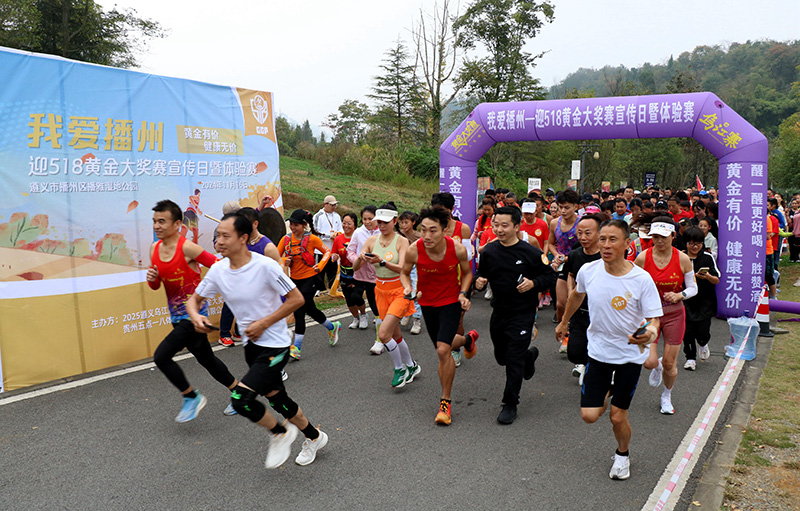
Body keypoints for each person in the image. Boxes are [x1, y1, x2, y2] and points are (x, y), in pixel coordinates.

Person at [187, 213, 328, 468]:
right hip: (251, 348)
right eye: (218, 235)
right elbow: (193, 300)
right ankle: (315, 437)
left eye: (225, 235)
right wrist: (196, 317)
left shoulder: (265, 266)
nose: (219, 240)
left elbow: (297, 299)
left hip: (276, 346)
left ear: (243, 238)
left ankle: (279, 433)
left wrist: (264, 322)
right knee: (278, 400)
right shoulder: (219, 270)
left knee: (241, 400)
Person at [556, 219, 663, 480]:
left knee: (617, 417)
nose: (605, 245)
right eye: (602, 239)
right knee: (590, 416)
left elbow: (654, 320)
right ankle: (608, 390)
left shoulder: (641, 279)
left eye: (612, 239)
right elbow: (577, 295)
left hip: (629, 357)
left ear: (627, 244)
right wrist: (564, 321)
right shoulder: (588, 271)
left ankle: (622, 456)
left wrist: (647, 335)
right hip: (599, 354)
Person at [147, 200, 239, 422]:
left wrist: (208, 294)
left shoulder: (188, 247)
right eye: (154, 222)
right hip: (177, 317)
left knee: (161, 357)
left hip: (194, 317)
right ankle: (240, 393)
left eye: (162, 221)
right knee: (207, 360)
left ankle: (191, 397)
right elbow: (156, 285)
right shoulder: (154, 249)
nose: (157, 226)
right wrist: (153, 279)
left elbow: (218, 266)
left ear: (177, 224)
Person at [474, 207, 557, 425]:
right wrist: (479, 282)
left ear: (516, 227)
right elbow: (481, 274)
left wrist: (533, 283)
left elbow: (549, 276)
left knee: (512, 360)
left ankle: (510, 403)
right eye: (495, 225)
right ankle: (528, 357)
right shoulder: (489, 252)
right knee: (502, 357)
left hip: (523, 313)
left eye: (504, 225)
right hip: (499, 311)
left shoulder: (530, 252)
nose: (499, 230)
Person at [401, 206, 477, 425]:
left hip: (451, 301)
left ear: (445, 230)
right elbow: (405, 273)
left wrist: (463, 293)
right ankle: (468, 340)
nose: (426, 235)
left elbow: (468, 272)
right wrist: (408, 289)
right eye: (423, 230)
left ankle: (445, 402)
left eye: (433, 230)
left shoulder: (458, 249)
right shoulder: (414, 249)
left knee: (443, 350)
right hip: (427, 303)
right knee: (444, 344)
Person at [634, 218, 697, 415]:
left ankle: (666, 395)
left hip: (674, 314)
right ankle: (657, 366)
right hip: (650, 315)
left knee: (671, 363)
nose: (658, 241)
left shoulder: (682, 259)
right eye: (655, 237)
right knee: (649, 362)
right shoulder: (643, 257)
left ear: (673, 236)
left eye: (663, 237)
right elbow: (631, 283)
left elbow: (693, 287)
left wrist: (680, 295)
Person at [354, 204, 421, 387]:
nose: (381, 226)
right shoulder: (371, 240)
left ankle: (399, 368)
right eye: (379, 222)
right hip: (380, 291)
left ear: (394, 221)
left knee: (383, 334)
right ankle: (412, 366)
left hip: (400, 290)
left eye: (385, 222)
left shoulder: (401, 241)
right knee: (396, 335)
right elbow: (355, 268)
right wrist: (360, 257)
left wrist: (382, 262)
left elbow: (404, 268)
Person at [277, 209, 341, 360]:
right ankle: (332, 327)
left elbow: (327, 252)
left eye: (296, 225)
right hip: (295, 280)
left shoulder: (312, 239)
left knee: (299, 310)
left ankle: (296, 348)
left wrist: (320, 266)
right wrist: (283, 261)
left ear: (304, 225)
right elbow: (275, 255)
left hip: (311, 279)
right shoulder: (286, 239)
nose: (293, 227)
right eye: (291, 224)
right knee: (310, 309)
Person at [563, 214, 602, 384]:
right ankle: (585, 364)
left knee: (599, 347)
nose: (583, 237)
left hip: (601, 312)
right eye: (579, 233)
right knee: (574, 352)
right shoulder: (574, 255)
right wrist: (571, 291)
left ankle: (595, 369)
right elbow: (571, 275)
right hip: (579, 309)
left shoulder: (608, 255)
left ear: (599, 233)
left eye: (588, 233)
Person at [681, 227, 720, 370]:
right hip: (686, 302)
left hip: (705, 301)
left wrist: (707, 276)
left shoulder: (707, 258)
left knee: (702, 331)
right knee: (687, 332)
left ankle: (703, 344)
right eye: (691, 243)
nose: (695, 246)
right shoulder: (680, 257)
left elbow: (717, 279)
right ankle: (690, 358)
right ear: (685, 243)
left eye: (698, 243)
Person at [347, 205, 383, 353]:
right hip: (360, 273)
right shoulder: (358, 232)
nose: (367, 222)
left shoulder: (382, 233)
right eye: (364, 219)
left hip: (376, 275)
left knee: (375, 305)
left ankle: (380, 337)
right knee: (355, 296)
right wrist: (358, 259)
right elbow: (350, 250)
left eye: (370, 219)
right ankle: (363, 316)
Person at [548, 189, 580, 340]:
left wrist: (567, 257)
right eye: (560, 207)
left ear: (576, 206)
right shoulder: (554, 223)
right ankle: (563, 328)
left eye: (567, 207)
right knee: (560, 304)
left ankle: (573, 334)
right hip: (561, 265)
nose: (563, 210)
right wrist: (557, 256)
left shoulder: (582, 223)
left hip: (578, 264)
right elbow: (550, 244)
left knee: (574, 302)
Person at [331, 212, 367, 330]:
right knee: (349, 299)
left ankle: (363, 315)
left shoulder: (359, 237)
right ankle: (355, 317)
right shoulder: (338, 239)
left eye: (349, 223)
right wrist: (334, 257)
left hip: (358, 273)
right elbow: (333, 254)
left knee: (356, 296)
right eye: (344, 223)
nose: (346, 226)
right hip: (344, 273)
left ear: (355, 225)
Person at [398, 210, 423, 335]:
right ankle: (407, 314)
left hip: (415, 267)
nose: (403, 225)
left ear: (413, 222)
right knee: (403, 292)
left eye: (406, 222)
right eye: (402, 222)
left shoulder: (419, 237)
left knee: (414, 291)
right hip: (402, 267)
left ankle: (417, 319)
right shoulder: (399, 235)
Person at [313, 195, 343, 290]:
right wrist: (329, 236)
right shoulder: (318, 216)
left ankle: (333, 289)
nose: (333, 207)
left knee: (333, 271)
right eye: (331, 205)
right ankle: (319, 290)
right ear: (325, 204)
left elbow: (341, 229)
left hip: (333, 250)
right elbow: (315, 233)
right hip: (320, 250)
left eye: (335, 205)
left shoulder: (337, 216)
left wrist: (338, 235)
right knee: (320, 270)